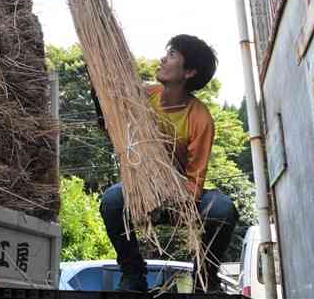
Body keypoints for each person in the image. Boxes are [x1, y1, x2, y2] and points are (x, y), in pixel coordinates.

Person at [93, 34, 238, 293]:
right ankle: (133, 274)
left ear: (189, 72)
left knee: (222, 210)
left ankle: (205, 276)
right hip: (141, 190)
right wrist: (101, 101)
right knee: (113, 200)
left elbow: (195, 180)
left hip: (181, 199)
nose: (163, 58)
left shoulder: (200, 118)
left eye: (172, 55)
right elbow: (116, 132)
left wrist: (170, 197)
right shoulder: (145, 95)